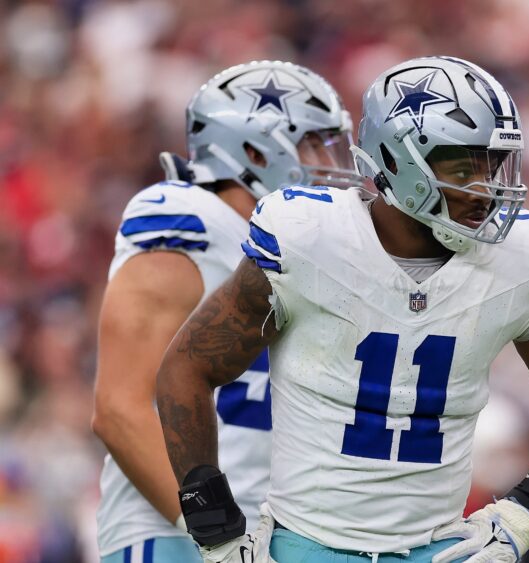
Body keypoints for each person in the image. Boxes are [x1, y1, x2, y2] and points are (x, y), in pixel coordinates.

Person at [154, 55, 529, 563]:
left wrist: (528, 511)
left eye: (492, 164)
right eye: (463, 167)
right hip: (306, 545)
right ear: (394, 161)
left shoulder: (519, 260)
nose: (486, 189)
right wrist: (216, 529)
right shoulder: (310, 240)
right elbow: (187, 368)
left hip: (439, 548)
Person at [91, 60, 360, 563]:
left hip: (273, 533)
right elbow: (120, 411)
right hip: (180, 536)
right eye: (313, 143)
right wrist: (214, 533)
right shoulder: (190, 218)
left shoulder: (299, 248)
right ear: (255, 150)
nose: (329, 161)